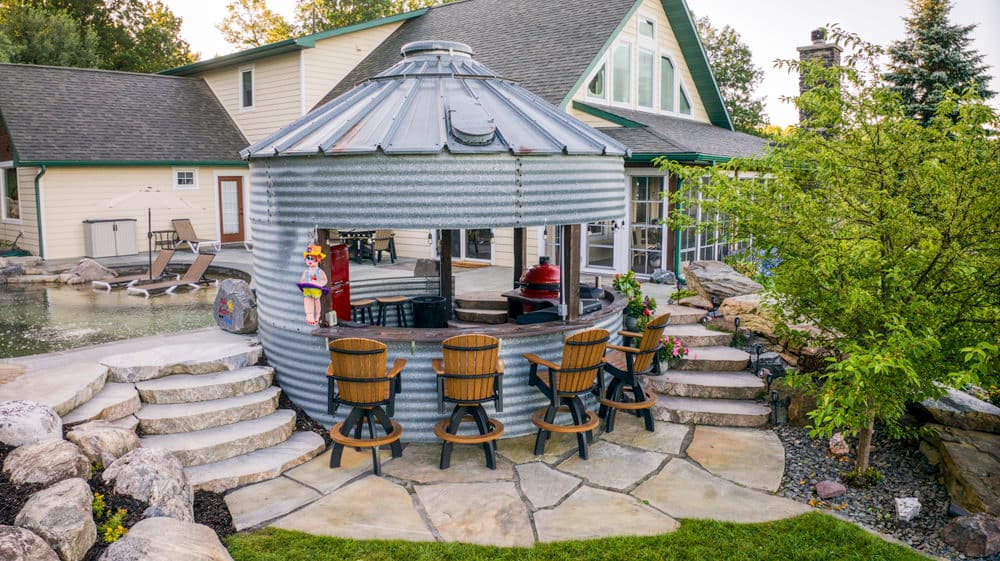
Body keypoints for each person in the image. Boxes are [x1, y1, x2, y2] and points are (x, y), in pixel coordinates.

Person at [299, 245, 328, 325]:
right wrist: (303, 283)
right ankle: (309, 315)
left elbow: (324, 280)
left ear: (318, 259)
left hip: (316, 290)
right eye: (308, 258)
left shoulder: (319, 271)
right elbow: (302, 280)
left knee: (316, 302)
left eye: (312, 259)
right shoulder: (306, 271)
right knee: (308, 302)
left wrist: (319, 284)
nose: (310, 261)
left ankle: (317, 315)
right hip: (308, 290)